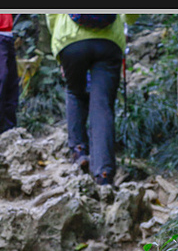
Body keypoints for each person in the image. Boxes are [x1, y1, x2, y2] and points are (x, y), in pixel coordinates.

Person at [47, 13, 138, 188]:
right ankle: (103, 173)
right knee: (102, 104)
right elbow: (132, 15)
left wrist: (58, 42)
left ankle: (79, 151)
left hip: (70, 39)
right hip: (109, 40)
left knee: (75, 92)